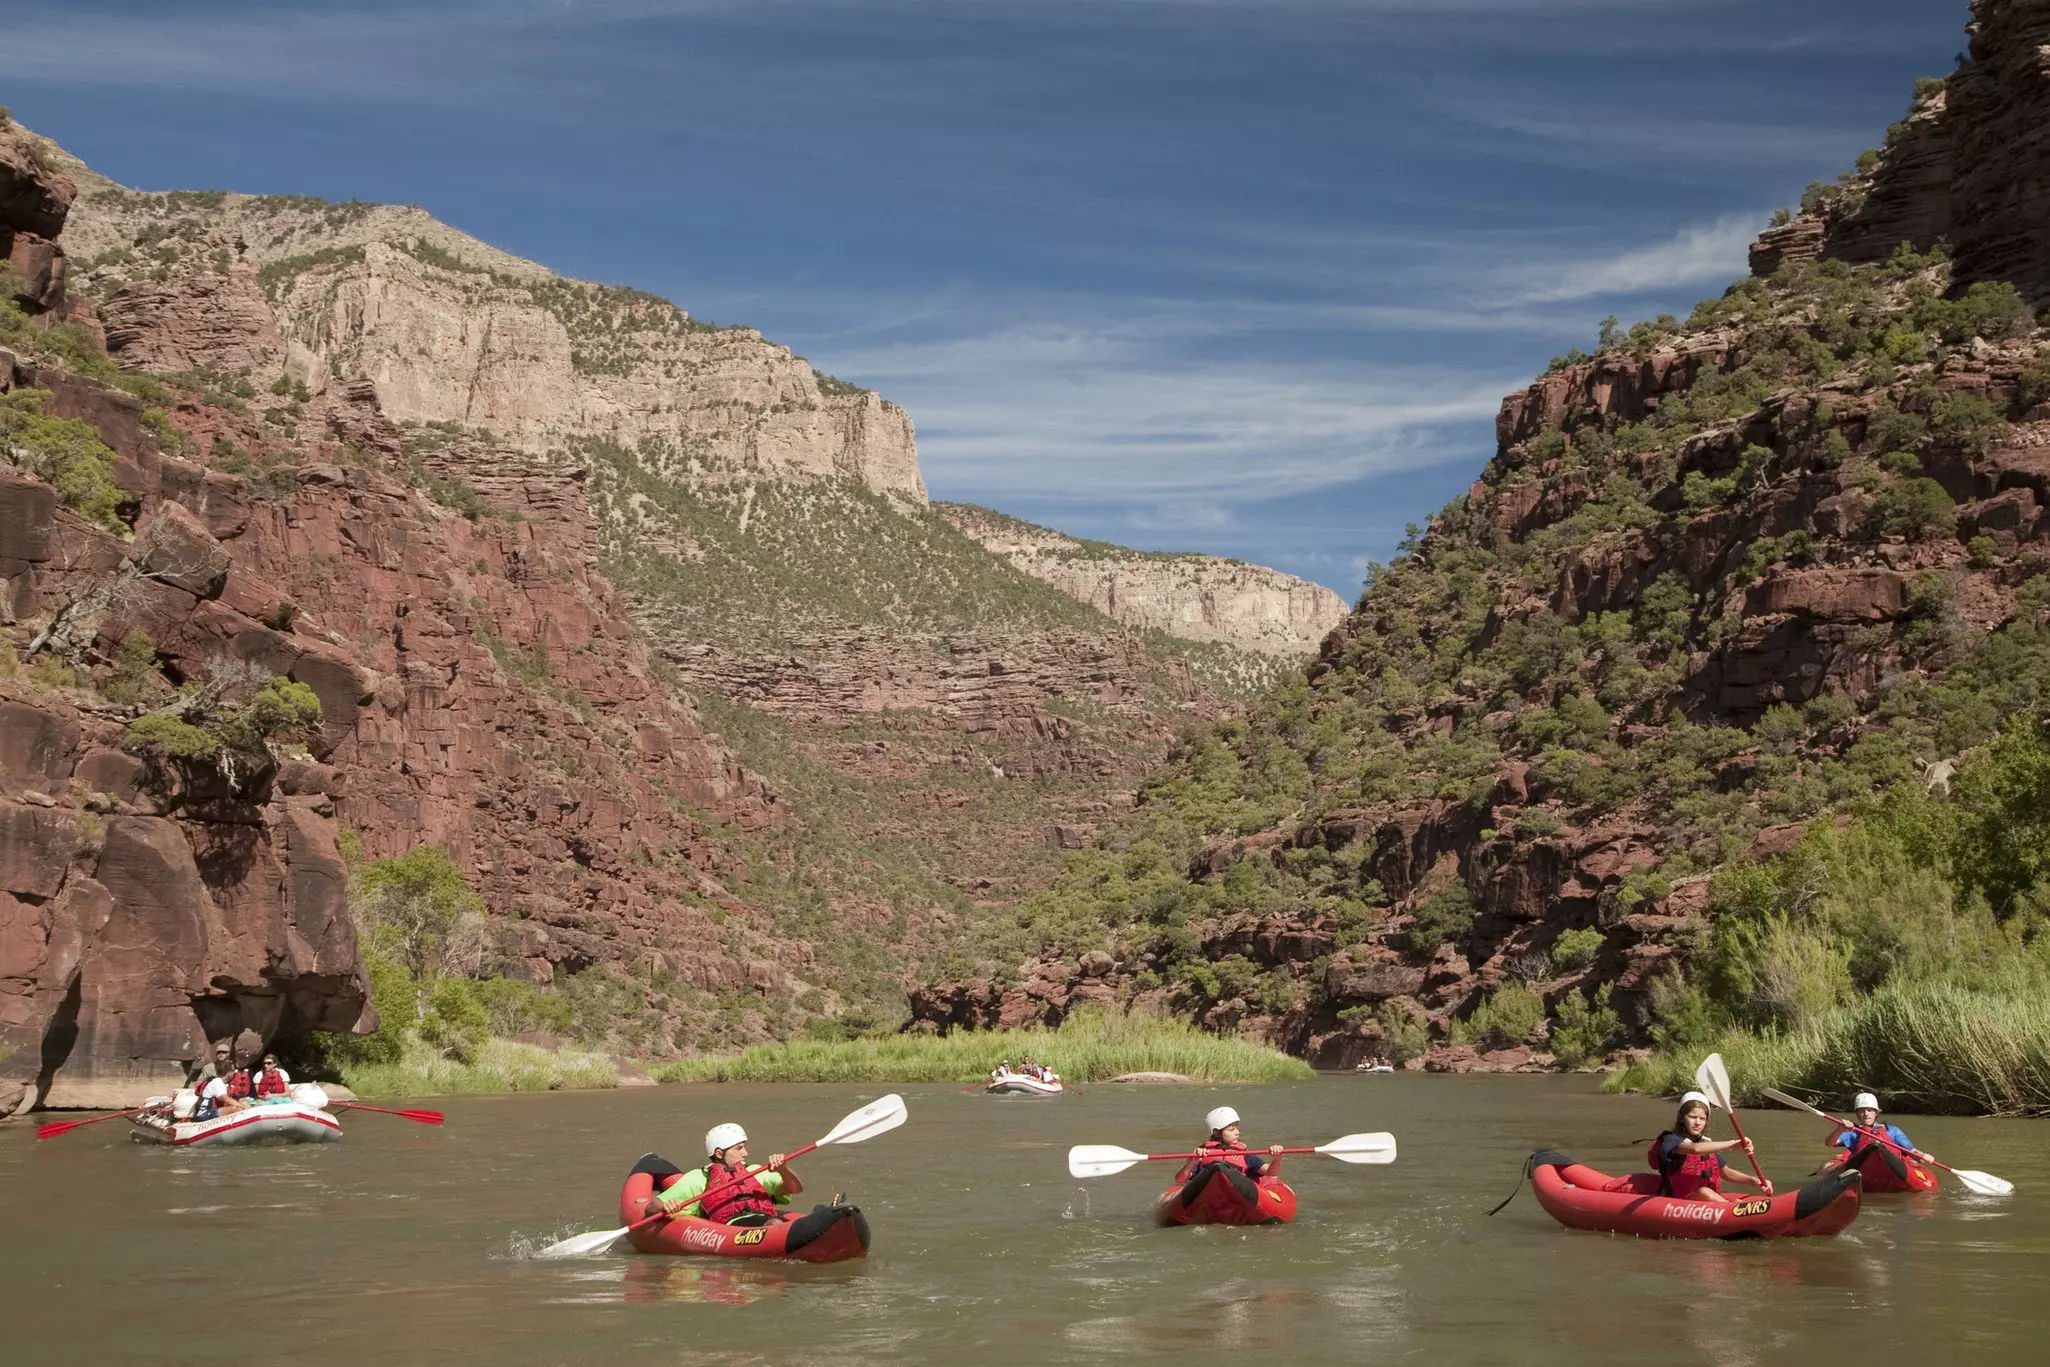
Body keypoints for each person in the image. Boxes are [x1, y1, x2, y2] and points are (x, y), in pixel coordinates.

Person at [642, 1124, 804, 1226]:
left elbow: (795, 1189)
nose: (745, 1153)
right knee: (775, 1223)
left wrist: (783, 1169)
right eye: (739, 1148)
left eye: (745, 1147)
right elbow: (651, 1208)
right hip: (733, 1227)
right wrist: (665, 1206)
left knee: (777, 1222)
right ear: (719, 1153)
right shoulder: (698, 1179)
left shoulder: (756, 1171)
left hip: (764, 1218)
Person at [1647, 1092, 1773, 1203]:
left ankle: (1727, 1206)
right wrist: (1734, 1144)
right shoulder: (1670, 1140)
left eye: (1702, 1119)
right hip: (1678, 1201)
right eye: (1692, 1117)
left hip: (1706, 1202)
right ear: (1681, 1118)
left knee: (1705, 1192)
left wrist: (1754, 1181)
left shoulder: (1706, 1144)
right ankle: (1730, 1208)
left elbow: (1726, 1173)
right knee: (1704, 1192)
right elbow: (1695, 1149)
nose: (1697, 1122)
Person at [1822, 1091, 1933, 1173]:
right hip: (1864, 1169)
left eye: (1869, 1110)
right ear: (1857, 1114)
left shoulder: (1892, 1131)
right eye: (1862, 1111)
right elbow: (1829, 1143)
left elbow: (1911, 1151)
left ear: (1876, 1113)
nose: (1866, 1114)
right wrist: (1839, 1129)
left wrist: (1923, 1156)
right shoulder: (1853, 1132)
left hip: (1892, 1170)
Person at [1175, 1106, 1284, 1185]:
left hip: (1236, 1192)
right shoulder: (1202, 1153)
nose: (1237, 1132)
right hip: (1208, 1192)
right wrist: (1193, 1161)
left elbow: (1271, 1173)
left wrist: (1277, 1159)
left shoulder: (1243, 1153)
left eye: (1236, 1128)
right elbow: (1180, 1180)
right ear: (1217, 1132)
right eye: (1231, 1129)